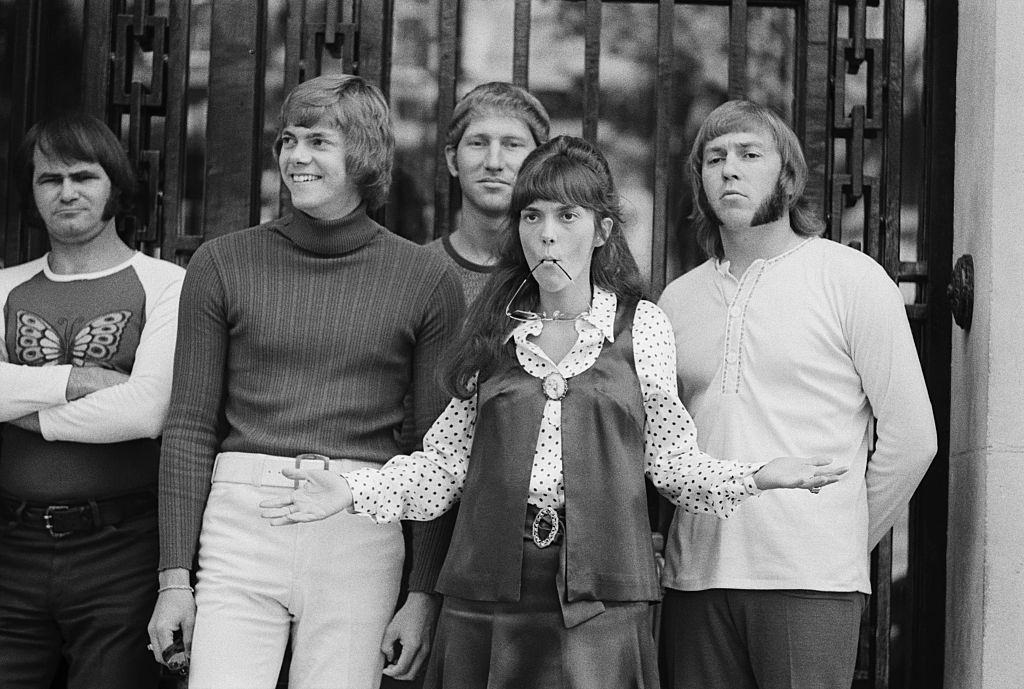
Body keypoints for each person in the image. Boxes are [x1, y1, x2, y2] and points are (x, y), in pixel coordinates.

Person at [259, 135, 846, 689]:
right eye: (532, 215)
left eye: (567, 216)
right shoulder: (492, 331)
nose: (547, 234)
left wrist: (759, 476)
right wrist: (350, 491)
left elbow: (669, 464)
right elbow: (442, 468)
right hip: (486, 599)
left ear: (600, 230)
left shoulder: (642, 327)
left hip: (602, 601)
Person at [146, 75, 464, 689]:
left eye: (318, 141)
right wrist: (172, 581)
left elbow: (436, 448)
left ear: (364, 154)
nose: (296, 157)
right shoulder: (221, 263)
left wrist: (423, 592)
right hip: (239, 520)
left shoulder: (425, 278)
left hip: (360, 526)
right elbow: (187, 429)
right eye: (288, 140)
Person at [656, 100, 938, 689]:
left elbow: (913, 438)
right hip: (695, 577)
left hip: (809, 578)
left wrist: (839, 534)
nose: (729, 169)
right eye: (714, 158)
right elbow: (657, 442)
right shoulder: (675, 302)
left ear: (787, 175)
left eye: (749, 154)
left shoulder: (852, 279)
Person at [0, 112, 184, 688]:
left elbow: (143, 411)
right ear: (32, 193)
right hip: (10, 547)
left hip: (120, 550)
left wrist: (18, 406)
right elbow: (110, 400)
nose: (67, 192)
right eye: (49, 179)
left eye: (84, 176)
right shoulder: (5, 286)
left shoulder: (167, 284)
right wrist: (74, 382)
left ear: (116, 186)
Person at [427, 81, 551, 304]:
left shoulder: (558, 274)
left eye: (512, 145)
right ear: (452, 160)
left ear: (539, 163)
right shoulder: (418, 272)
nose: (494, 163)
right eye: (478, 143)